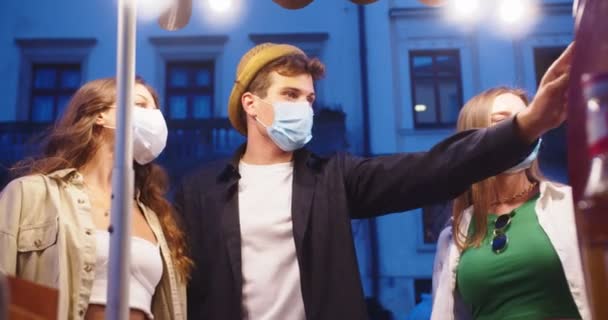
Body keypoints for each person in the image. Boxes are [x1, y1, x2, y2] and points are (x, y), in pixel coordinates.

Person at [175, 42, 572, 320]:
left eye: (309, 99)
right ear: (251, 103)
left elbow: (435, 169)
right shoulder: (200, 192)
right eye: (290, 95)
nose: (304, 108)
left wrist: (524, 127)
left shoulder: (334, 178)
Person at [0, 77, 191, 319]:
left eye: (155, 111)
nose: (153, 119)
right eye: (141, 105)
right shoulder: (30, 194)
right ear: (99, 114)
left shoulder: (156, 218)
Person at [431, 87, 591, 320]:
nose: (525, 132)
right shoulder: (454, 236)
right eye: (504, 123)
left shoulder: (572, 206)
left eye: (530, 121)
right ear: (476, 137)